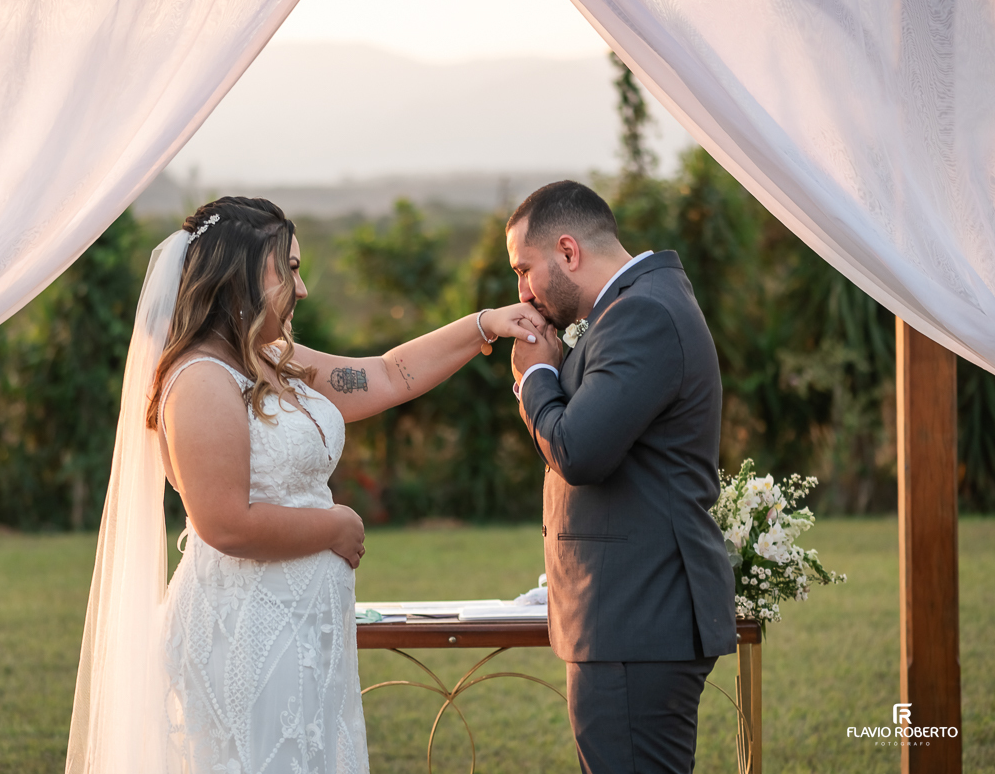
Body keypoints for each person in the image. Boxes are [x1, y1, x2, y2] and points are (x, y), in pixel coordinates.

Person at [66, 196, 547, 774]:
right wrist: (335, 526)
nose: (303, 289)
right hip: (242, 634)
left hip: (298, 629)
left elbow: (387, 375)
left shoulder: (272, 359)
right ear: (242, 273)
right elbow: (225, 523)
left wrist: (484, 326)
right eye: (289, 269)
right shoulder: (201, 379)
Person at [505, 181, 737, 774]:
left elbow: (579, 450)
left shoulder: (642, 313)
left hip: (637, 616)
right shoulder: (636, 305)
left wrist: (535, 378)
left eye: (524, 269)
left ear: (568, 251)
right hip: (633, 617)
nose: (523, 291)